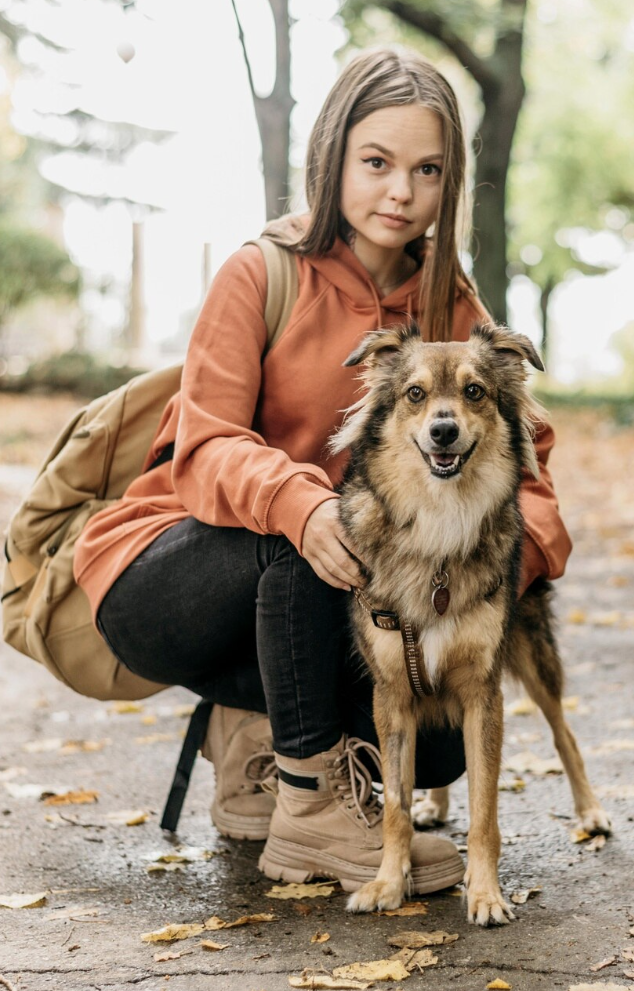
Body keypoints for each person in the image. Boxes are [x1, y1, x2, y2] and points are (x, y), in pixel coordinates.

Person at [74, 47, 572, 893]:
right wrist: (300, 506)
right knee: (317, 527)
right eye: (375, 163)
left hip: (336, 590)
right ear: (332, 157)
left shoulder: (450, 301)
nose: (400, 193)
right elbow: (206, 447)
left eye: (426, 170)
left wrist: (496, 572)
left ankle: (258, 737)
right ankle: (308, 815)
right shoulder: (258, 273)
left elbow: (528, 471)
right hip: (174, 571)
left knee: (444, 736)